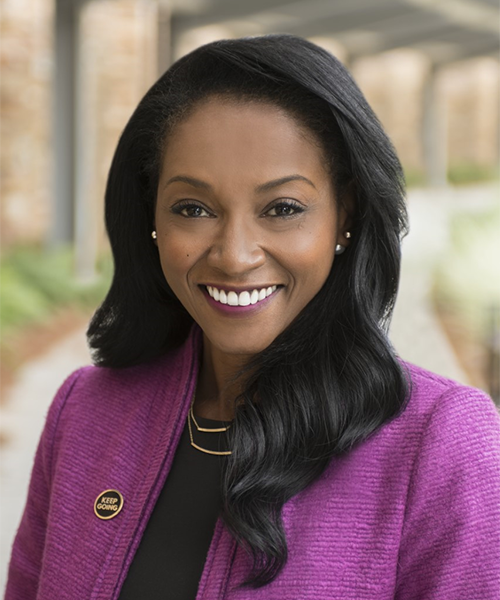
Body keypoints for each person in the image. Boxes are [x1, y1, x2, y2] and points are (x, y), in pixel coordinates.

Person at [5, 34, 500, 600]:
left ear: (347, 215)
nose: (235, 255)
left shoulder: (440, 443)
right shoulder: (85, 413)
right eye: (193, 208)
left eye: (283, 209)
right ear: (152, 217)